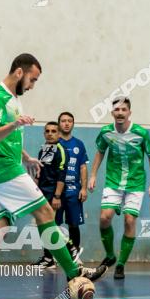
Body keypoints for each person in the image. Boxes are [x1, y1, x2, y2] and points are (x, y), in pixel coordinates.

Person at [0, 53, 106, 299]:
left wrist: (26, 156)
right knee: (46, 212)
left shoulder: (13, 99)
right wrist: (15, 123)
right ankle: (74, 272)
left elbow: (8, 138)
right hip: (4, 171)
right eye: (32, 79)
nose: (31, 85)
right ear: (20, 72)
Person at [90, 97, 150, 279]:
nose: (120, 113)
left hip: (135, 183)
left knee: (129, 221)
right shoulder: (105, 132)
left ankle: (120, 264)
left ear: (129, 112)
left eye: (123, 110)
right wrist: (93, 175)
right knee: (105, 218)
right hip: (113, 182)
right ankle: (110, 256)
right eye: (117, 110)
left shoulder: (140, 133)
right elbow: (100, 152)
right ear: (112, 113)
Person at [32, 121, 71, 269]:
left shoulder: (61, 150)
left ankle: (69, 249)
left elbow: (62, 175)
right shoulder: (43, 150)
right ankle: (48, 258)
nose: (50, 133)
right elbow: (39, 172)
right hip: (41, 193)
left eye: (53, 131)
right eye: (47, 131)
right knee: (42, 225)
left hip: (53, 194)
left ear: (59, 134)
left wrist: (57, 196)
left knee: (50, 226)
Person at [56, 111, 88, 260]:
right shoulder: (54, 144)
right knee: (51, 225)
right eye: (63, 121)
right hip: (56, 192)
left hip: (73, 191)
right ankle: (50, 257)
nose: (67, 123)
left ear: (73, 124)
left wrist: (83, 188)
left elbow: (82, 167)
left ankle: (74, 256)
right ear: (59, 124)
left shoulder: (79, 144)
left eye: (70, 121)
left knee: (74, 225)